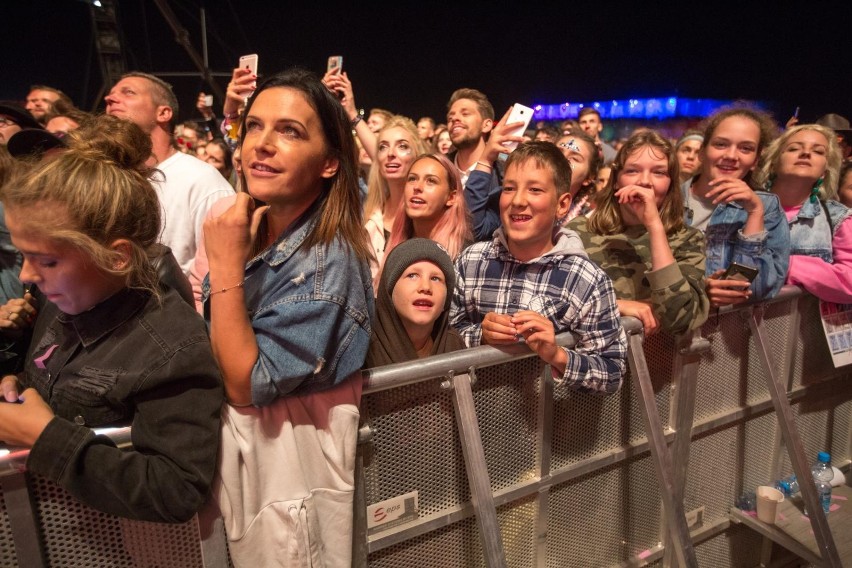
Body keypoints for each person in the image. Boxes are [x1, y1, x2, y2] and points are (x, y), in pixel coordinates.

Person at [0, 116, 222, 523]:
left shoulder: (171, 346)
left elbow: (176, 488)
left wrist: (45, 438)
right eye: (23, 256)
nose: (27, 276)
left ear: (115, 257)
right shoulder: (61, 302)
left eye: (47, 260)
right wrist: (22, 388)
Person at [202, 68, 373, 567]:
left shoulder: (326, 261)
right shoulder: (251, 227)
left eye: (289, 131)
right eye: (254, 126)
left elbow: (245, 383)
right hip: (251, 472)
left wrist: (224, 266)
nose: (263, 144)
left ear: (328, 164)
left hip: (293, 478)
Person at [451, 141, 626, 394]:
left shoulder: (586, 279)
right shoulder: (472, 261)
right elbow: (444, 336)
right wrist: (481, 335)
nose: (518, 201)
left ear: (562, 205)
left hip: (546, 426)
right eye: (509, 188)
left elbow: (612, 372)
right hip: (472, 423)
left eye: (534, 190)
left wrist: (556, 354)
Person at [568, 131, 709, 336]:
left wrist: (654, 227)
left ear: (671, 184)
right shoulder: (579, 231)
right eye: (633, 171)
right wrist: (615, 305)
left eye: (659, 173)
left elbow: (680, 317)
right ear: (616, 180)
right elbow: (553, 302)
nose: (644, 181)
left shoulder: (688, 239)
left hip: (653, 363)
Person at [104, 72, 234, 275]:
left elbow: (224, 273)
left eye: (128, 92)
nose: (109, 99)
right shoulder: (107, 179)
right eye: (111, 94)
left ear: (163, 113)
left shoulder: (201, 181)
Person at [683, 106, 789, 307]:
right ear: (702, 152)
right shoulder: (670, 200)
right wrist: (699, 291)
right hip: (669, 335)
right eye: (721, 144)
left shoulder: (767, 207)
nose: (732, 155)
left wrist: (755, 213)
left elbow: (758, 289)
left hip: (728, 333)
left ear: (755, 161)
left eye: (746, 148)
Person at [756, 124, 852, 303]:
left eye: (818, 151)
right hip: (734, 326)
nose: (806, 153)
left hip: (801, 329)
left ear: (824, 171)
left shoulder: (838, 218)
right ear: (774, 163)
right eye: (793, 148)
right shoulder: (741, 207)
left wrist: (788, 265)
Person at [366, 238, 464, 367]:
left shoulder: (454, 345)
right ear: (389, 288)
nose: (425, 287)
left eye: (435, 278)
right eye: (412, 275)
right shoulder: (363, 347)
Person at [362, 116, 428, 273]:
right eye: (383, 147)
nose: (390, 153)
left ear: (417, 154)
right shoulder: (371, 214)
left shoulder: (425, 214)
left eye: (402, 146)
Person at [384, 153, 472, 262]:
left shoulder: (464, 256)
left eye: (431, 181)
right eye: (412, 179)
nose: (417, 187)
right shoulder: (393, 248)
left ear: (451, 197)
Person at [556, 131, 602, 221]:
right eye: (557, 152)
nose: (562, 159)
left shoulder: (591, 221)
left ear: (589, 178)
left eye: (574, 158)